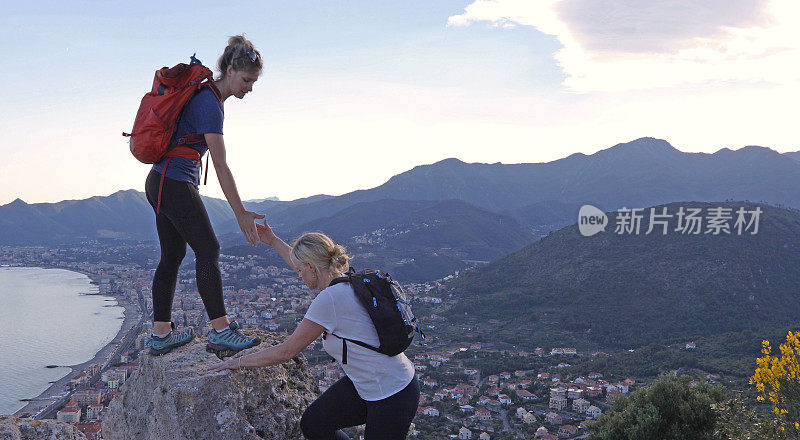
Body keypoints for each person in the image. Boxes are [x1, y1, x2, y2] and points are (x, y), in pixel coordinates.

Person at [208, 225, 420, 440]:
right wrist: (272, 240)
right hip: (369, 384)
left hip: (394, 393)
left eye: (300, 271)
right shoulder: (345, 280)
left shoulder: (330, 299)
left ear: (312, 267)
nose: (298, 275)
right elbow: (304, 266)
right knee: (314, 423)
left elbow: (286, 352)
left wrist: (239, 361)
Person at [145, 35, 264, 356]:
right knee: (208, 249)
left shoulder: (206, 95)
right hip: (173, 183)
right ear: (229, 69)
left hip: (160, 181)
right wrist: (240, 213)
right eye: (246, 80)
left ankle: (160, 335)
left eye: (253, 82)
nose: (249, 88)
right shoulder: (210, 103)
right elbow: (222, 165)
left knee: (172, 256)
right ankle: (222, 330)